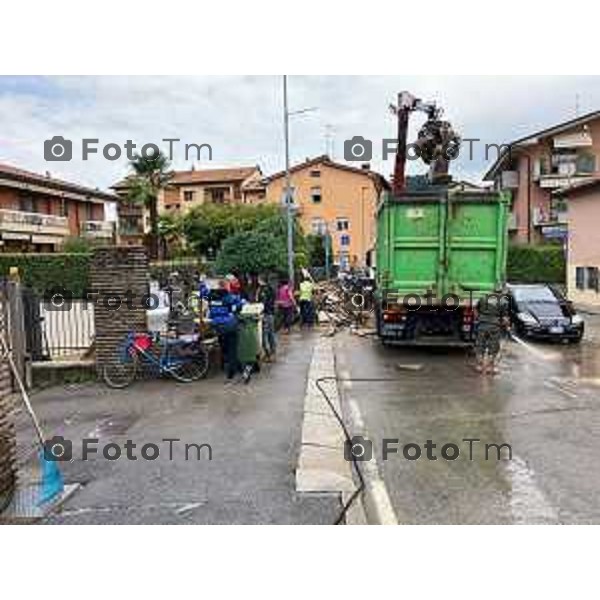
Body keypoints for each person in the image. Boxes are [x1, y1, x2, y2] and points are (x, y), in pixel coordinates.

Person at [209, 279, 244, 380]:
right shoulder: (229, 297)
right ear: (226, 286)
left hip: (217, 326)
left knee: (224, 348)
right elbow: (239, 305)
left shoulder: (212, 296)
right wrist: (240, 303)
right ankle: (232, 371)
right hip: (230, 325)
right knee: (232, 348)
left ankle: (229, 367)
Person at [474, 291, 511, 375]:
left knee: (480, 345)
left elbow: (475, 309)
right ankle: (491, 367)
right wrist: (507, 326)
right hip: (494, 327)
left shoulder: (483, 298)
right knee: (493, 346)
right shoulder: (503, 301)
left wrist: (478, 318)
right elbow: (505, 318)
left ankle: (479, 366)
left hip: (482, 325)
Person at [257, 275, 277, 360]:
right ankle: (273, 352)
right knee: (271, 334)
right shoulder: (271, 288)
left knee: (264, 334)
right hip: (271, 313)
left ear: (261, 280)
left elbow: (263, 303)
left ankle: (268, 353)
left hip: (265, 314)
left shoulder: (263, 290)